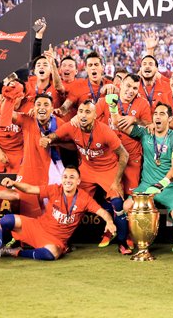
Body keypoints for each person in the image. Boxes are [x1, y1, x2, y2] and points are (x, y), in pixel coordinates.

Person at [44, 99, 131, 254]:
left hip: (108, 169)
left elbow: (124, 155)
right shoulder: (73, 126)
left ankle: (122, 243)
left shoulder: (104, 131)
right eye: (81, 112)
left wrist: (117, 181)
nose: (83, 115)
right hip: (86, 170)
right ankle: (64, 242)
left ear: (95, 115)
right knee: (71, 202)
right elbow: (56, 135)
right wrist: (48, 139)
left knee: (118, 205)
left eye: (88, 112)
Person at [0, 166, 117, 260]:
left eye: (71, 177)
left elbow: (102, 212)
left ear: (78, 181)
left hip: (55, 240)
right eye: (65, 177)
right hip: (37, 227)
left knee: (51, 255)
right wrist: (14, 183)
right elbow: (30, 189)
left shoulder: (84, 198)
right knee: (7, 220)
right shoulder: (55, 189)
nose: (68, 180)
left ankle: (16, 252)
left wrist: (110, 222)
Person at [119, 102, 173, 252]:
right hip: (146, 185)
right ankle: (135, 237)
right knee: (126, 206)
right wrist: (129, 117)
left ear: (170, 119)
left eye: (162, 114)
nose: (157, 116)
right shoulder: (146, 133)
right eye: (155, 113)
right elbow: (120, 125)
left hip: (169, 186)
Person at [96, 74, 151, 196]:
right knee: (114, 193)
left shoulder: (143, 103)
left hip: (132, 156)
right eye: (128, 86)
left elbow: (149, 125)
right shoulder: (107, 99)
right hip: (110, 156)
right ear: (120, 85)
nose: (131, 91)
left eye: (135, 88)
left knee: (132, 195)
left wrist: (135, 119)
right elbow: (91, 116)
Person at [13, 93, 66, 217]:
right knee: (18, 198)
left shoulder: (60, 123)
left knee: (53, 205)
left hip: (53, 168)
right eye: (38, 104)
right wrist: (8, 99)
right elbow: (7, 117)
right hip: (30, 167)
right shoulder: (27, 119)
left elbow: (73, 145)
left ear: (52, 108)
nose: (42, 107)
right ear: (34, 107)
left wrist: (53, 141)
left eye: (46, 105)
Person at [0, 78, 25, 173]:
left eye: (15, 94)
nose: (11, 98)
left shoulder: (28, 107)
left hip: (18, 151)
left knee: (16, 185)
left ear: (22, 95)